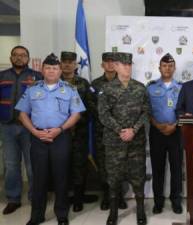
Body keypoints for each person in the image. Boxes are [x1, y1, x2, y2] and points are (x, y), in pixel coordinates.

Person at [15, 53, 85, 225]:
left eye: (55, 68)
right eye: (48, 68)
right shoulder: (32, 89)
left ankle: (62, 214)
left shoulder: (70, 90)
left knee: (61, 177)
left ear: (60, 70)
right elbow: (22, 113)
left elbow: (76, 114)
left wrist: (60, 129)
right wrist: (34, 131)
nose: (52, 71)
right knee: (39, 178)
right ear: (42, 70)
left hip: (60, 138)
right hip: (38, 138)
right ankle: (37, 216)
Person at [98, 52, 150, 225]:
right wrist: (120, 130)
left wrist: (133, 130)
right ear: (116, 66)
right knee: (113, 178)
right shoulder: (107, 88)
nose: (127, 67)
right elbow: (103, 114)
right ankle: (113, 213)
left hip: (136, 141)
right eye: (123, 64)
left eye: (129, 64)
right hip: (114, 142)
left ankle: (140, 211)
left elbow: (146, 112)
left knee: (138, 177)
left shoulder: (140, 87)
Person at [0, 45, 42, 215]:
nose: (19, 58)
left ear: (28, 58)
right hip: (7, 126)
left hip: (30, 128)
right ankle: (13, 199)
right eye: (15, 55)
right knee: (10, 165)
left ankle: (35, 197)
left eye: (22, 55)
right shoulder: (2, 76)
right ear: (11, 58)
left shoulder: (37, 77)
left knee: (32, 166)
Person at [59, 51, 96, 212]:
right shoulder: (53, 82)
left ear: (75, 64)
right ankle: (63, 198)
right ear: (60, 64)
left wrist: (78, 122)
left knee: (79, 166)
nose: (67, 64)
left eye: (70, 62)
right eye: (64, 61)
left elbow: (90, 107)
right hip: (58, 133)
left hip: (78, 133)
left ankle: (78, 199)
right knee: (60, 166)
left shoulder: (83, 84)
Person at [91, 52, 128, 210]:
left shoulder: (124, 82)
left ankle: (119, 196)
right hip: (102, 132)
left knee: (120, 165)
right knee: (104, 166)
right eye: (107, 62)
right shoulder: (95, 84)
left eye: (113, 62)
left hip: (120, 133)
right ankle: (106, 196)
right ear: (102, 65)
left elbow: (129, 107)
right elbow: (92, 106)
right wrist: (108, 119)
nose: (110, 65)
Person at [147, 53, 183, 214]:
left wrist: (174, 125)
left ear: (174, 68)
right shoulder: (151, 87)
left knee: (176, 169)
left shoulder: (182, 87)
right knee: (158, 168)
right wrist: (158, 125)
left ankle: (176, 201)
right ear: (159, 67)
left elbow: (185, 111)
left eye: (170, 65)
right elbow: (146, 111)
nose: (167, 68)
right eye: (164, 65)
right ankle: (158, 202)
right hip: (157, 133)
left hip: (176, 132)